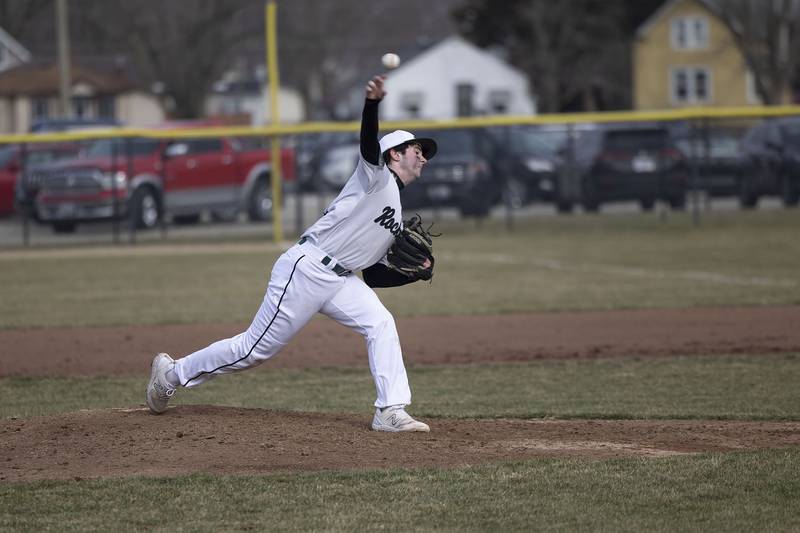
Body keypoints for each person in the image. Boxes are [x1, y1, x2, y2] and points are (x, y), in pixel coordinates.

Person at [146, 74, 438, 432]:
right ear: (395, 154)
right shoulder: (375, 177)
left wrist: (417, 271)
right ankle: (171, 374)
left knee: (381, 323)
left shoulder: (392, 213)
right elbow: (366, 143)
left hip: (340, 279)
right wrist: (372, 104)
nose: (424, 157)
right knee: (254, 350)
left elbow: (375, 275)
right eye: (417, 150)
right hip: (307, 268)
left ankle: (390, 410)